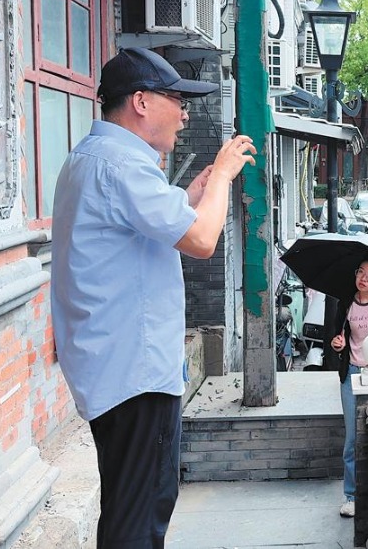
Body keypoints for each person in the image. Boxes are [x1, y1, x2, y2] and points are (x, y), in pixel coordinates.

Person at [51, 47, 256, 547]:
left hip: (113, 367)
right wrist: (224, 178)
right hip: (134, 374)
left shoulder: (92, 157)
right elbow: (203, 241)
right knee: (139, 518)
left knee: (131, 504)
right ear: (140, 102)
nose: (185, 114)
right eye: (175, 99)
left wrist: (193, 194)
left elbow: (146, 224)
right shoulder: (123, 165)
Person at [327, 256, 368, 518]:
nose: (363, 278)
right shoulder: (346, 303)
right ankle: (351, 495)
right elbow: (336, 336)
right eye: (360, 272)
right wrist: (337, 343)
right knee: (352, 438)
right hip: (353, 372)